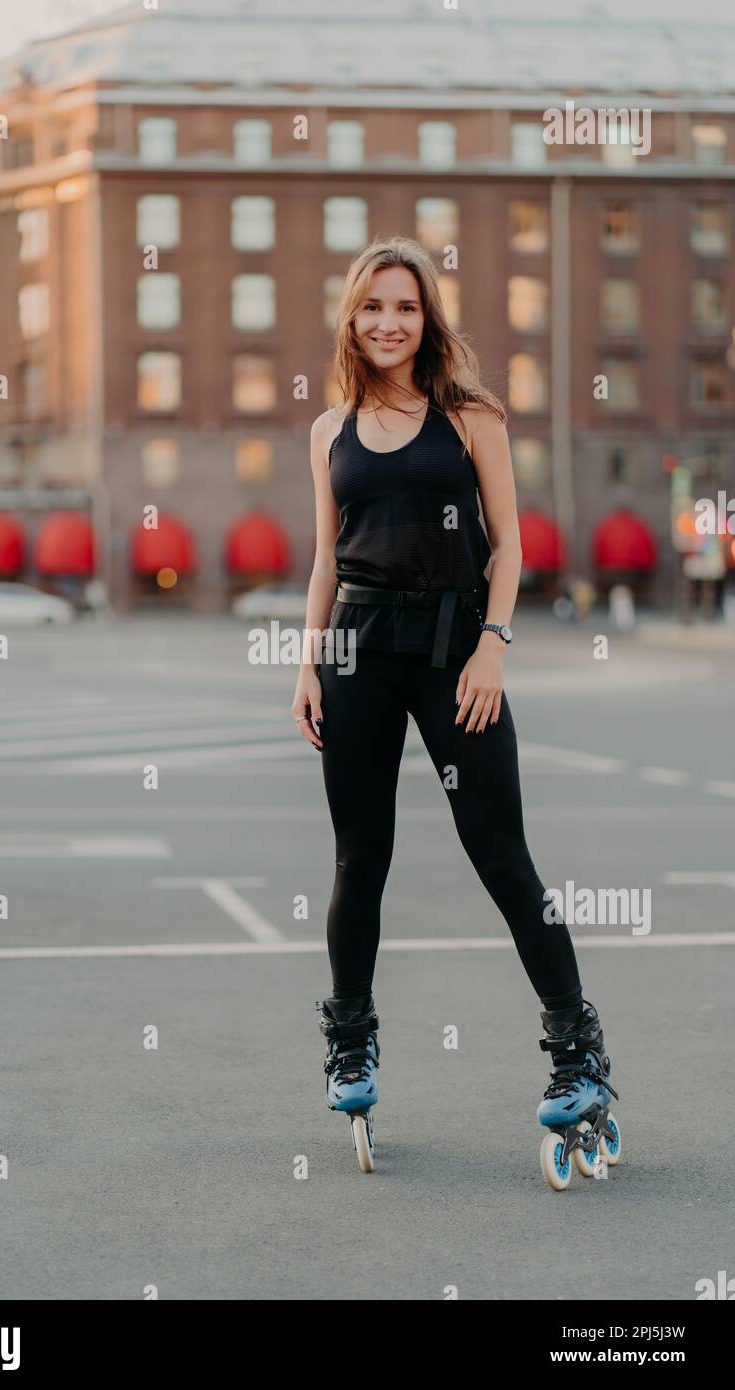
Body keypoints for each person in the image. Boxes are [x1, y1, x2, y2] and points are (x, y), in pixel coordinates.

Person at [291, 236, 618, 1183]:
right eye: (370, 308)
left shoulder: (469, 416)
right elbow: (325, 559)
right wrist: (310, 666)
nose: (387, 322)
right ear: (351, 321)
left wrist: (493, 646)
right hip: (356, 647)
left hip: (454, 652)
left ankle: (577, 1050)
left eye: (404, 306)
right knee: (360, 858)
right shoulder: (329, 431)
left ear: (426, 317)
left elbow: (509, 545)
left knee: (502, 856)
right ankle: (350, 1042)